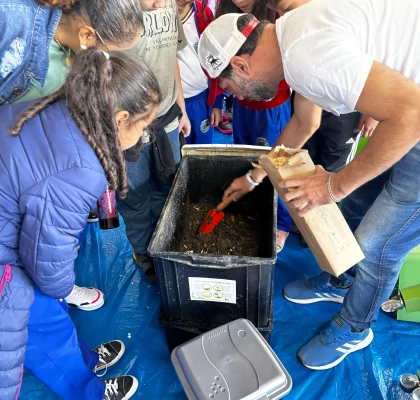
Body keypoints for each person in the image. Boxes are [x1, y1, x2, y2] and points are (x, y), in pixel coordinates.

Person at [197, 0, 420, 370]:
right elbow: (304, 123)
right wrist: (255, 176)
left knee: (378, 242)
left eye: (231, 87)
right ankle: (343, 281)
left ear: (240, 64)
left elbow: (411, 115)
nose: (237, 96)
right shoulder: (291, 37)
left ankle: (355, 326)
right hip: (406, 110)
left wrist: (333, 186)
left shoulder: (306, 56)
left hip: (414, 119)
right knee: (356, 210)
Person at [0, 48, 161, 400]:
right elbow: (47, 263)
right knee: (43, 328)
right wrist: (61, 287)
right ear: (119, 119)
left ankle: (85, 361)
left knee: (51, 314)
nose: (146, 135)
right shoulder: (81, 170)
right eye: (144, 125)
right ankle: (87, 390)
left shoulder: (68, 105)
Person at [0, 0, 144, 310]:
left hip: (35, 169)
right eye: (113, 54)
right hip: (16, 171)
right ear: (88, 37)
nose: (115, 65)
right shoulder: (10, 21)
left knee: (45, 234)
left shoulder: (70, 48)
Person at [118, 0, 190, 284]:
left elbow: (171, 56)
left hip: (167, 117)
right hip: (128, 125)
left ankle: (166, 246)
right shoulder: (114, 10)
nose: (160, 4)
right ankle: (144, 252)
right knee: (134, 196)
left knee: (169, 187)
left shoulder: (168, 5)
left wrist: (180, 106)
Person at [264, 0, 379, 173]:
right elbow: (304, 124)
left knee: (333, 171)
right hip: (315, 103)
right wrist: (259, 174)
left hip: (348, 110)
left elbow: (305, 125)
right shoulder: (300, 37)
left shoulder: (350, 15)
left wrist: (374, 112)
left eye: (287, 9)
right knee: (305, 161)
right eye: (277, 12)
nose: (284, 18)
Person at [176, 0, 223, 144]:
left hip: (202, 100)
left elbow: (216, 59)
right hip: (173, 105)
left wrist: (217, 102)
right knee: (178, 153)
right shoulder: (158, 17)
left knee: (203, 148)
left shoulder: (204, 14)